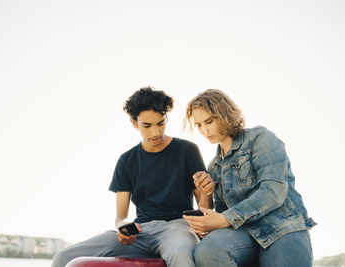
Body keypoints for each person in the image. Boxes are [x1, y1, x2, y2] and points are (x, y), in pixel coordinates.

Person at [51, 87, 212, 267]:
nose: (156, 132)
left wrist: (206, 192)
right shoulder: (127, 160)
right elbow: (121, 217)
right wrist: (124, 228)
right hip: (140, 232)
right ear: (134, 123)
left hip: (177, 228)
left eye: (161, 123)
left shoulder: (187, 150)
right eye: (147, 125)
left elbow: (204, 209)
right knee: (63, 257)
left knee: (180, 254)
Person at [183, 89, 316, 267]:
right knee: (208, 250)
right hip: (242, 236)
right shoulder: (214, 166)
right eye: (199, 125)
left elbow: (273, 191)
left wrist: (224, 219)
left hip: (281, 227)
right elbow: (221, 213)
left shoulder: (260, 137)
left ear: (224, 115)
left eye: (209, 121)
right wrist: (205, 193)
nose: (204, 130)